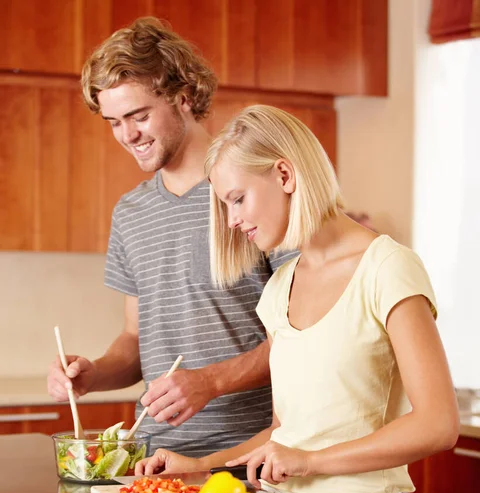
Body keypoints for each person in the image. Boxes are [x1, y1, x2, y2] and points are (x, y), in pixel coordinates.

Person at [137, 104, 460, 493]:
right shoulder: (280, 286)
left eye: (237, 199)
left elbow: (438, 424)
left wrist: (308, 461)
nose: (232, 221)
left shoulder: (387, 267)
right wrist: (198, 465)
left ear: (285, 176)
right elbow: (284, 434)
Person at [47, 19, 295, 456]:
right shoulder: (130, 213)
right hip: (159, 458)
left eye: (139, 116)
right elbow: (134, 341)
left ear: (184, 97)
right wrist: (93, 374)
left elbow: (302, 333)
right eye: (114, 122)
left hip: (256, 454)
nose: (128, 136)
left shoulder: (253, 191)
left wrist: (210, 382)